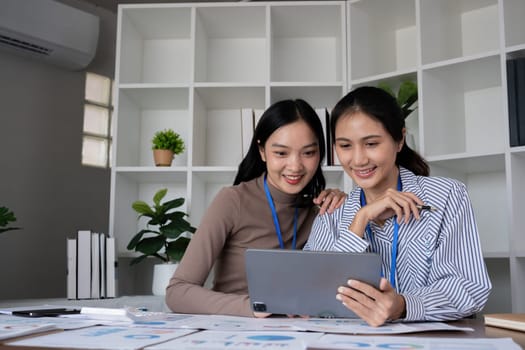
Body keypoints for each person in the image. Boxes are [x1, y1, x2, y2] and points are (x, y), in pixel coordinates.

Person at [304, 86, 492, 327]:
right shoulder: (332, 212)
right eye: (345, 146)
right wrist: (360, 221)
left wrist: (403, 306)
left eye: (371, 143)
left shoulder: (447, 196)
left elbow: (469, 288)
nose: (359, 159)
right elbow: (312, 294)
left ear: (399, 139)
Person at [166, 99, 346, 317]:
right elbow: (177, 292)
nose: (295, 166)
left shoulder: (320, 209)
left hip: (300, 331)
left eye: (308, 153)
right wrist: (254, 306)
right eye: (281, 153)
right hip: (236, 332)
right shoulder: (232, 201)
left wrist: (345, 208)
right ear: (262, 151)